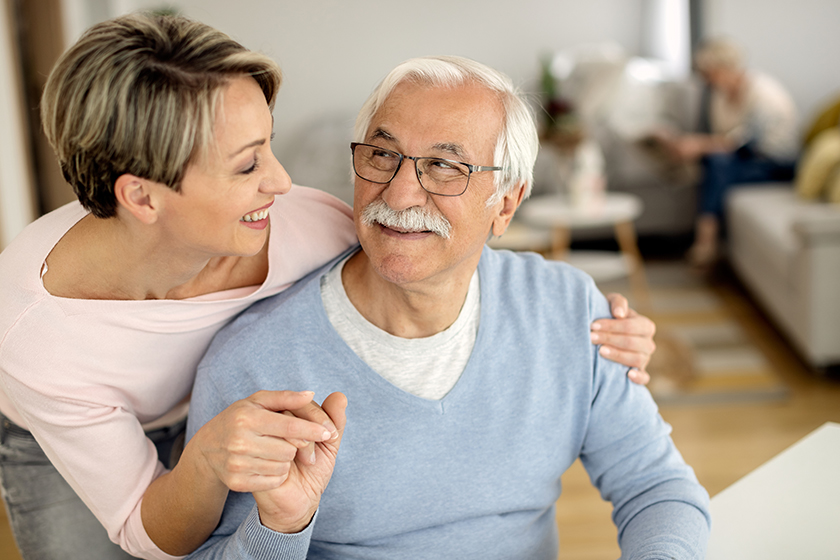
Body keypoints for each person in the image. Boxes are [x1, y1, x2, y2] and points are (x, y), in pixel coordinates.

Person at [0, 13, 655, 560]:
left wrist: (588, 323)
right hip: (91, 431)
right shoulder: (35, 335)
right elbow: (147, 532)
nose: (282, 182)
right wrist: (206, 462)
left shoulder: (308, 226)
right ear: (142, 197)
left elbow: (434, 243)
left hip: (229, 410)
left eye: (270, 146)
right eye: (248, 163)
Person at [185, 55, 710, 560]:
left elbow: (655, 486)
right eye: (382, 155)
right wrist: (280, 528)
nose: (402, 193)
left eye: (444, 166)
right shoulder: (251, 361)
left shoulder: (569, 311)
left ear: (505, 203)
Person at [653, 37, 799, 266]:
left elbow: (744, 142)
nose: (707, 80)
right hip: (744, 160)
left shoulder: (764, 95)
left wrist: (698, 144)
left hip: (775, 164)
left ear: (728, 68)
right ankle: (708, 240)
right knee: (713, 161)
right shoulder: (718, 94)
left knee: (718, 163)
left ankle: (706, 240)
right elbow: (721, 138)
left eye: (710, 73)